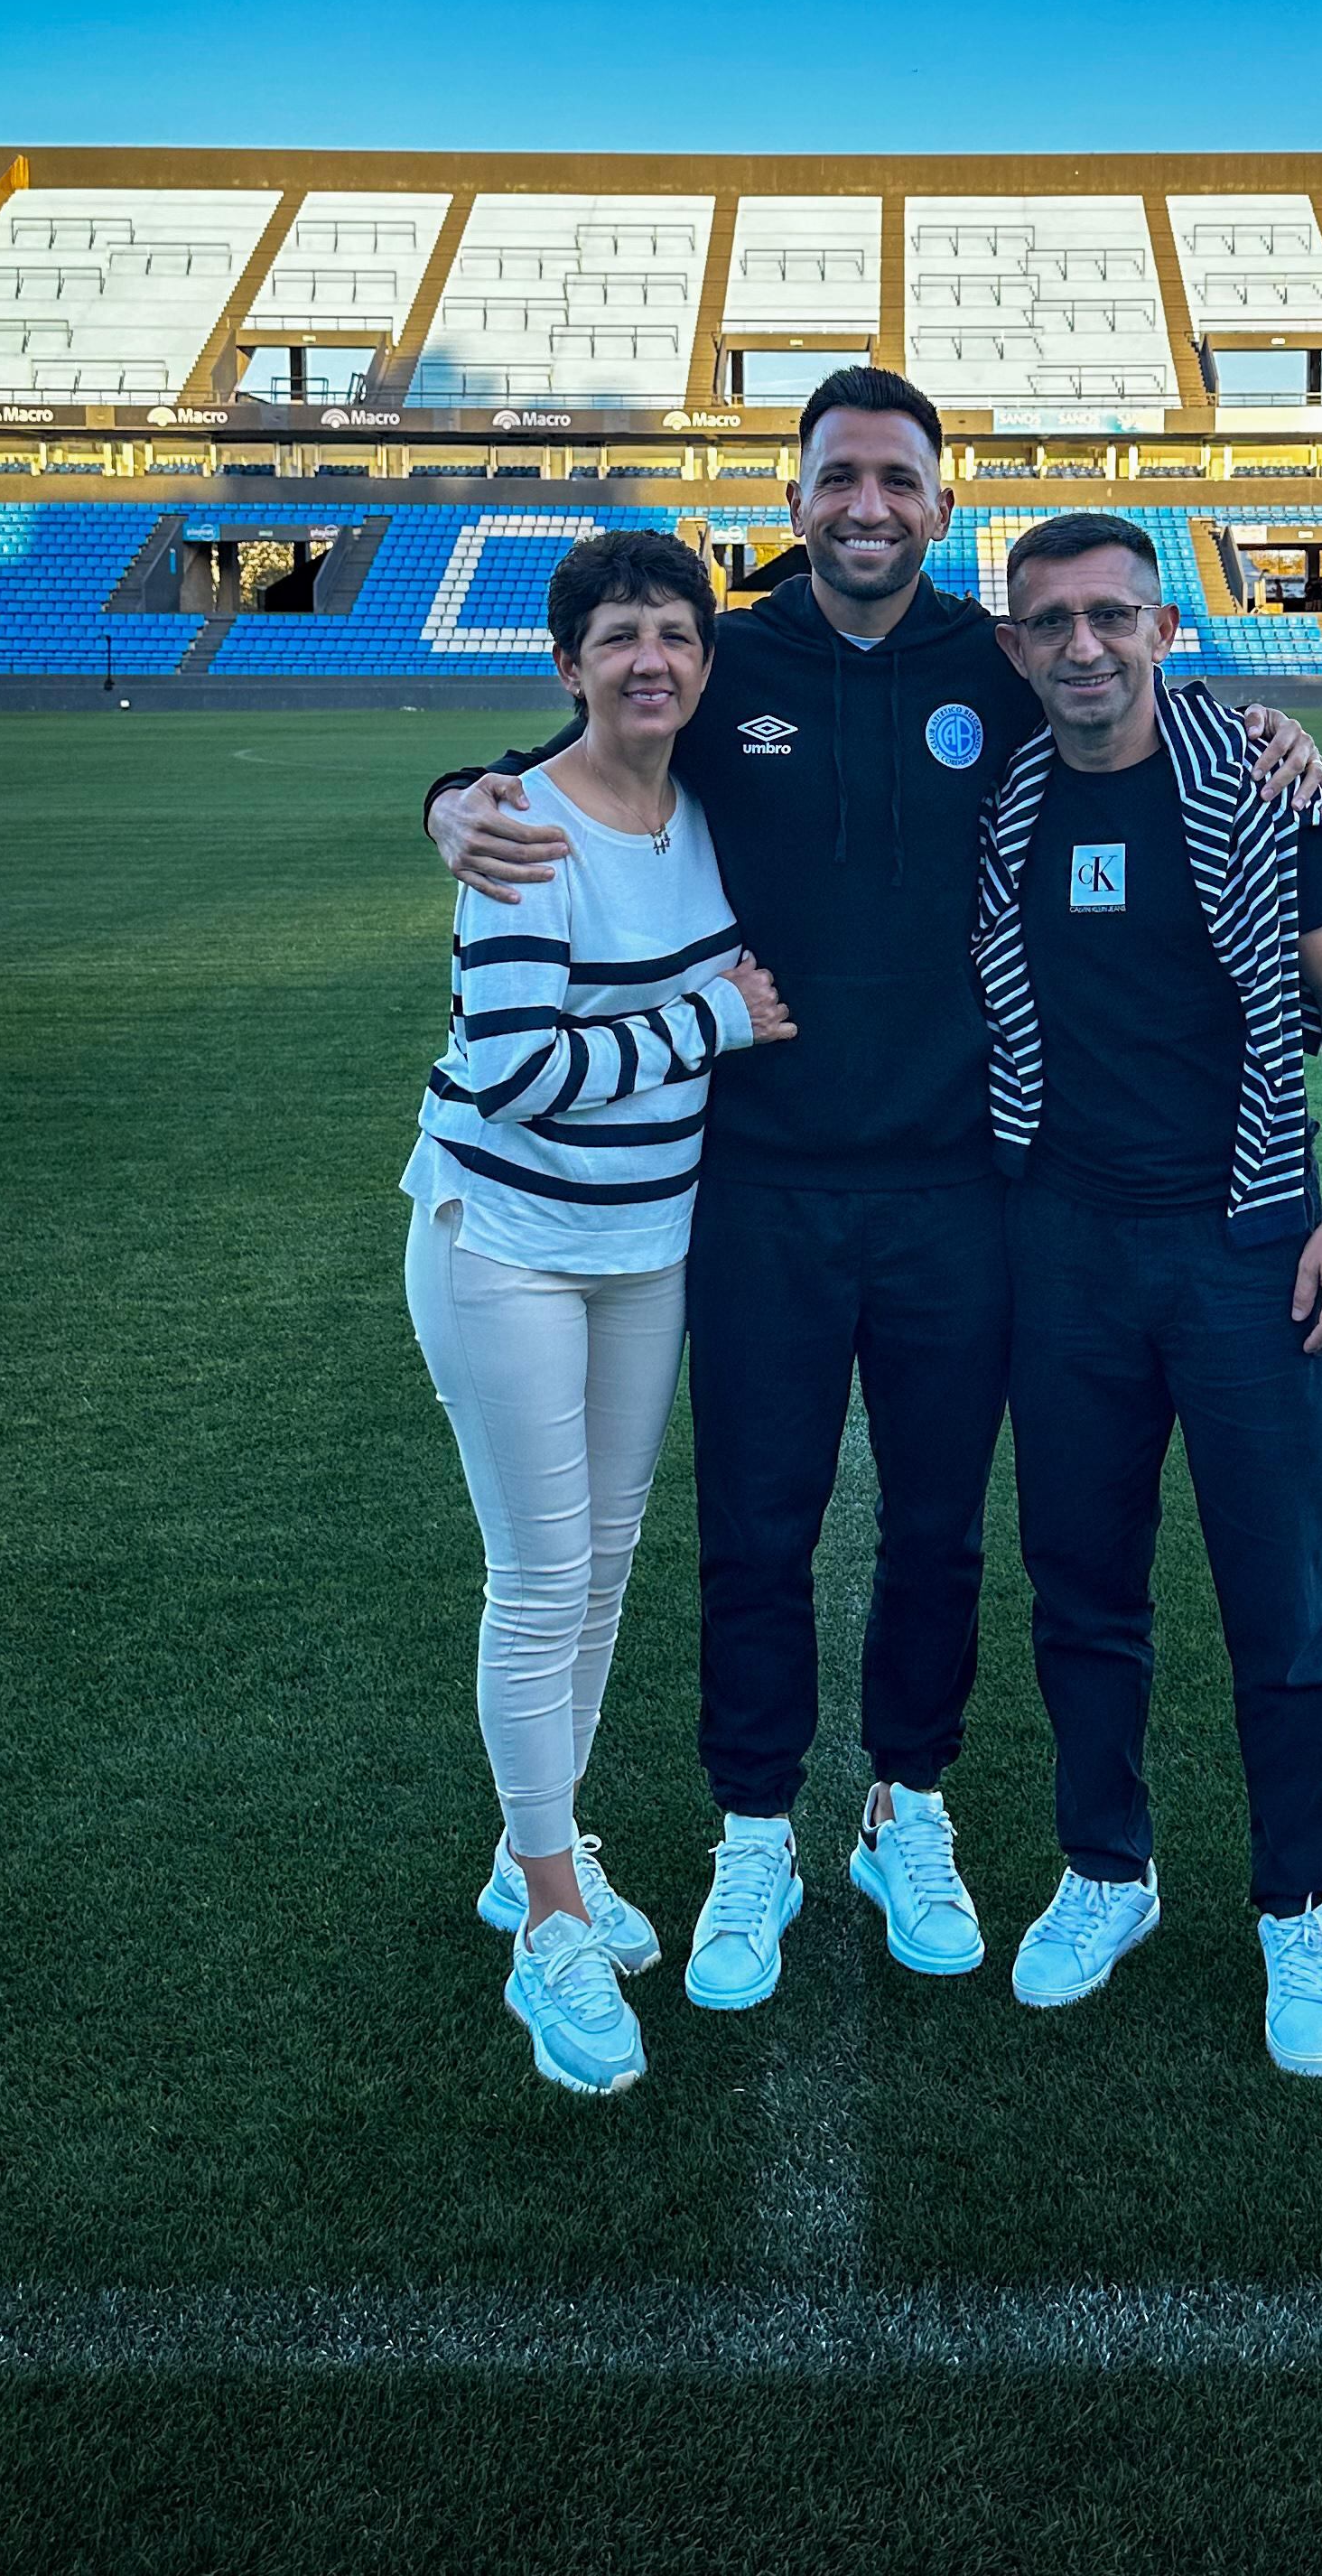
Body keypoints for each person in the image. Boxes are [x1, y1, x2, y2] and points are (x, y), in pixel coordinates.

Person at [424, 369, 1322, 2020]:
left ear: (942, 498)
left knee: (933, 1530)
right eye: (838, 476)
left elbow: (1132, 692)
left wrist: (1275, 724)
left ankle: (907, 1808)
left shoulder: (994, 651)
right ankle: (753, 1829)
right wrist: (452, 801)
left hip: (958, 1187)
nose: (867, 506)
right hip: (756, 1187)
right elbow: (575, 743)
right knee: (754, 1530)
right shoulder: (731, 653)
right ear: (793, 501)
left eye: (898, 480)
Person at [976, 509, 1322, 2078]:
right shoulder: (1001, 799)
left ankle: (1301, 1901)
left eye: (1114, 616)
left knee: (1280, 1604)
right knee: (1083, 1589)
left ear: (1166, 628)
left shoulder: (1257, 786)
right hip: (1062, 1249)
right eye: (1054, 622)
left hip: (1241, 1245)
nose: (1085, 645)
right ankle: (1107, 1869)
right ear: (1015, 649)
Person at [401, 527, 794, 2096]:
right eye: (621, 638)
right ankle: (550, 1919)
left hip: (648, 1242)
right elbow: (514, 1067)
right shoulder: (520, 833)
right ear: (566, 665)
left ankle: (530, 1851)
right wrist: (711, 1019)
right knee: (541, 1570)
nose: (654, 663)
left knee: (610, 1560)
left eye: (678, 638)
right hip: (502, 1233)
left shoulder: (704, 815)